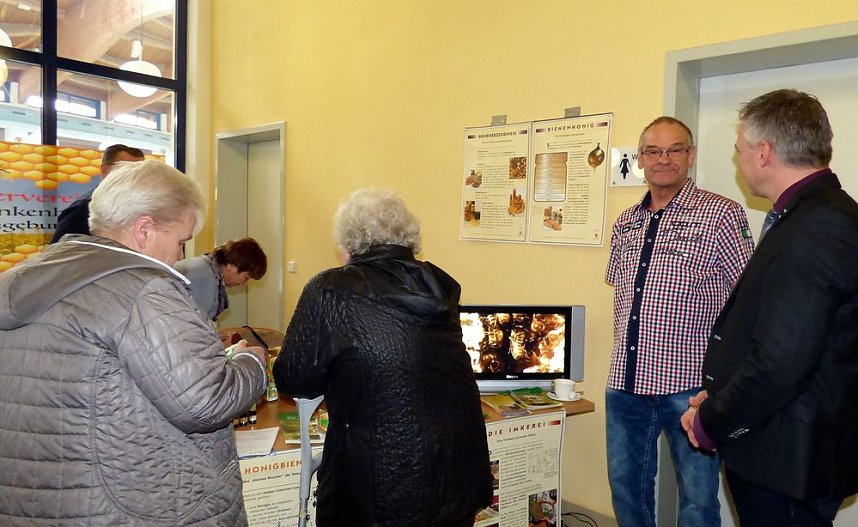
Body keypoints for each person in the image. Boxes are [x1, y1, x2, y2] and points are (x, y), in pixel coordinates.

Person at [0, 160, 267, 526]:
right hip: (133, 505)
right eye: (181, 241)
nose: (179, 256)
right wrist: (252, 362)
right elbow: (207, 401)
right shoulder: (141, 290)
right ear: (144, 229)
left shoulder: (21, 279)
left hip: (41, 501)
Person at [681, 89, 858, 527]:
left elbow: (781, 361)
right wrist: (720, 390)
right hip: (785, 443)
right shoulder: (814, 214)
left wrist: (712, 420)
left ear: (763, 153)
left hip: (788, 458)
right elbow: (785, 332)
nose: (738, 159)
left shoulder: (816, 226)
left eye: (739, 148)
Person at [273, 187, 492, 527]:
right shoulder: (438, 285)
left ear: (348, 244)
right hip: (456, 477)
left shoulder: (331, 288)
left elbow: (292, 378)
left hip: (380, 488)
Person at [605, 116, 754, 527]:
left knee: (698, 499)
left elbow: (746, 303)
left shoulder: (722, 215)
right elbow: (623, 296)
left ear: (690, 155)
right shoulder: (625, 222)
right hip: (626, 383)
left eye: (674, 149)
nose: (663, 159)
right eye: (653, 151)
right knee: (625, 490)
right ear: (641, 159)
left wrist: (720, 384)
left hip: (690, 388)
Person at [50, 143, 146, 242]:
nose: (134, 177)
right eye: (126, 170)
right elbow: (60, 254)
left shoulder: (139, 207)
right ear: (105, 170)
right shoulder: (82, 209)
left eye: (139, 172)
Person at [175, 237, 267, 321]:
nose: (243, 283)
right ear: (232, 265)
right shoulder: (205, 280)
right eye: (246, 278)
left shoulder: (204, 267)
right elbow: (194, 328)